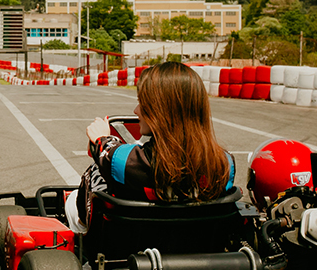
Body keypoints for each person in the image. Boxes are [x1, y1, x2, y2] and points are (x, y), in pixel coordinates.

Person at [66, 61, 235, 235]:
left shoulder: (127, 163)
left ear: (160, 110)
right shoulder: (225, 164)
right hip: (199, 243)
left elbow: (106, 153)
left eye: (141, 103)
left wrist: (101, 138)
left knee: (91, 177)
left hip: (135, 246)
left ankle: (80, 231)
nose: (135, 110)